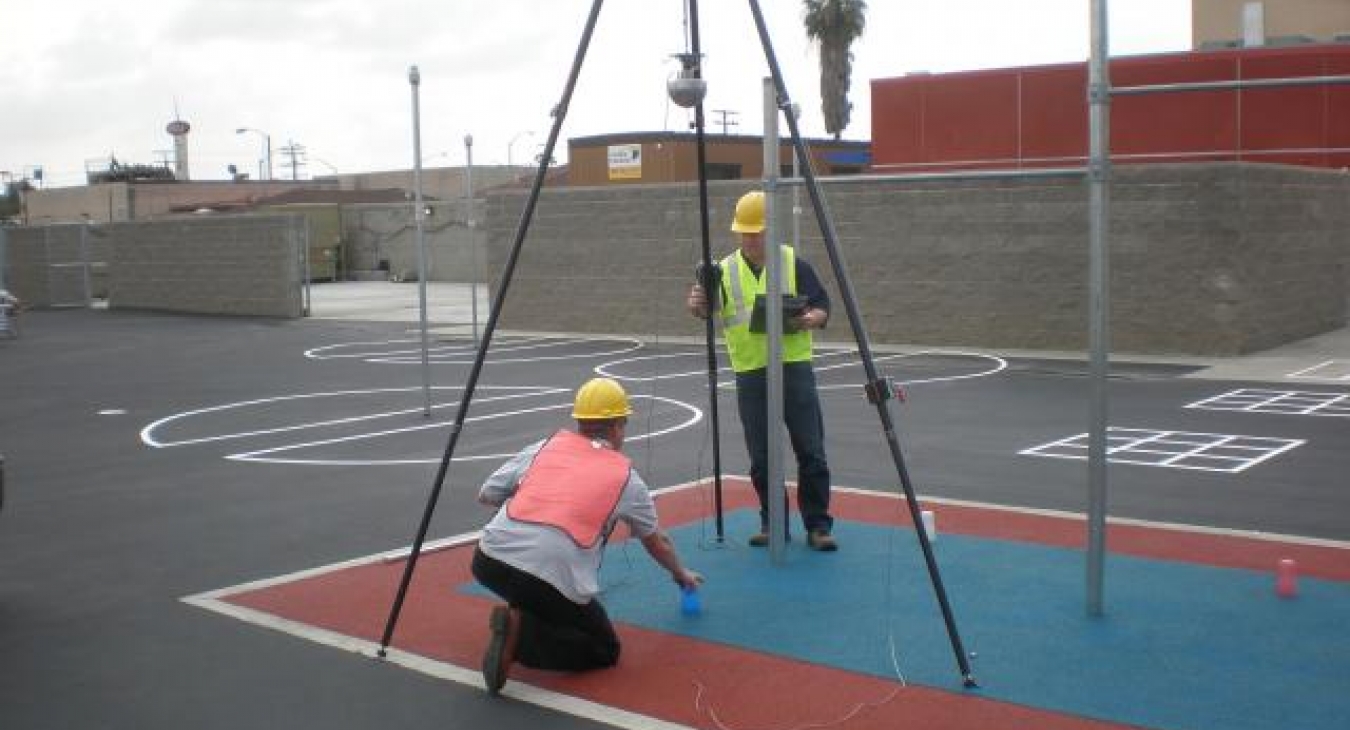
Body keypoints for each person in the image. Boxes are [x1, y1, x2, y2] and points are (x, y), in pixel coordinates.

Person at [471, 377, 704, 696]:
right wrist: (681, 574)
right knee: (603, 648)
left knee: (534, 588)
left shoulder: (544, 447)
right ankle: (519, 635)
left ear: (579, 421)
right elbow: (656, 541)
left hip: (488, 561)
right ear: (619, 427)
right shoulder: (627, 479)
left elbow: (487, 494)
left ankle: (519, 614)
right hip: (549, 577)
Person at [686, 190, 838, 552]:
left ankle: (817, 526)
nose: (750, 239)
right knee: (762, 457)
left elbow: (822, 305)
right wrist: (698, 304)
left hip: (794, 367)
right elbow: (706, 311)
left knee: (811, 450)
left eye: (757, 232)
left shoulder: (794, 264)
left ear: (772, 230)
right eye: (745, 232)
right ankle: (774, 523)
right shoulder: (722, 271)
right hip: (751, 371)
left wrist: (812, 318)